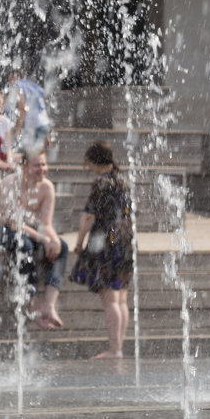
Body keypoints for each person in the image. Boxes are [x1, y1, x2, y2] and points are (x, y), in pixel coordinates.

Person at [0, 150, 67, 330]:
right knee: (25, 245)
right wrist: (43, 238)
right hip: (0, 228)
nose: (42, 169)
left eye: (44, 164)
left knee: (62, 246)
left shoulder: (46, 187)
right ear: (24, 166)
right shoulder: (9, 184)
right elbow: (13, 223)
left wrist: (53, 239)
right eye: (37, 165)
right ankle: (33, 305)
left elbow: (46, 223)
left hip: (25, 229)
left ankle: (49, 305)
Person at [69, 141, 135, 360]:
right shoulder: (123, 182)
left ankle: (114, 350)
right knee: (121, 298)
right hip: (124, 240)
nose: (89, 168)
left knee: (111, 299)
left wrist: (79, 242)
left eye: (90, 163)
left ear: (96, 162)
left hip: (106, 242)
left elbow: (89, 216)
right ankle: (118, 347)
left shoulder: (102, 184)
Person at [6, 68, 52, 157]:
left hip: (35, 127)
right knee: (34, 155)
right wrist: (47, 134)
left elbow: (22, 109)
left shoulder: (18, 86)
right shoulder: (32, 86)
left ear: (16, 78)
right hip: (43, 126)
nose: (9, 83)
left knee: (28, 155)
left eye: (10, 79)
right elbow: (42, 109)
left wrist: (17, 131)